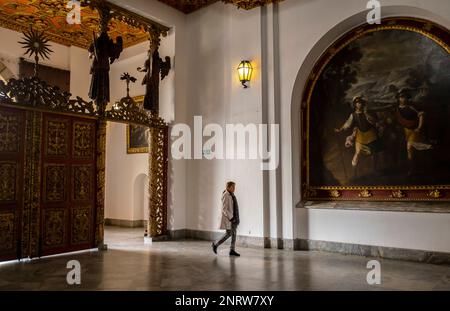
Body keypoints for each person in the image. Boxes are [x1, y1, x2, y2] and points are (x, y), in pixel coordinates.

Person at [335, 96, 382, 177]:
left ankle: (375, 170)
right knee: (357, 153)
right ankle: (354, 173)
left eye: (360, 103)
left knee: (374, 153)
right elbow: (347, 124)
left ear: (362, 104)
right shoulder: (353, 115)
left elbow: (374, 121)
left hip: (371, 135)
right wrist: (340, 129)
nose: (359, 105)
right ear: (355, 105)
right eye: (357, 103)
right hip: (361, 136)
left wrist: (367, 113)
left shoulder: (367, 113)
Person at [395, 88, 433, 174]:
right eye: (400, 97)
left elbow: (421, 115)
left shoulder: (411, 107)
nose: (402, 99)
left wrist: (419, 127)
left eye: (404, 97)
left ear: (407, 98)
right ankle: (411, 166)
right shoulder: (397, 109)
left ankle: (412, 168)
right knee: (405, 148)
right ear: (398, 98)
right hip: (404, 131)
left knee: (410, 148)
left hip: (414, 131)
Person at [212, 181, 240, 257]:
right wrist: (231, 218)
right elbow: (224, 209)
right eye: (233, 187)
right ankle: (215, 244)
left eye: (234, 187)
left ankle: (232, 250)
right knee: (229, 234)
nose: (234, 188)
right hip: (230, 218)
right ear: (228, 187)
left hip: (234, 218)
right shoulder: (226, 195)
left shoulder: (231, 195)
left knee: (233, 234)